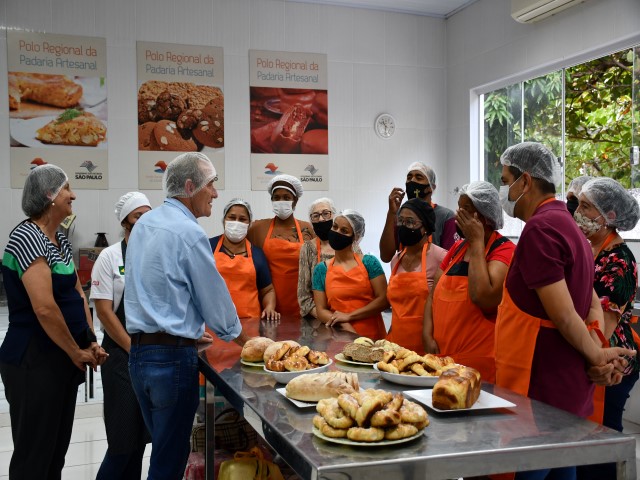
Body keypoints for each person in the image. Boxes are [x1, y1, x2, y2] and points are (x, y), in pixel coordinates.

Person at [495, 142, 635, 480]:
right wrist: (597, 348)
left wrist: (598, 357)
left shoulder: (542, 229)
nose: (502, 189)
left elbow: (565, 315)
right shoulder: (569, 226)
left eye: (505, 179)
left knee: (534, 471)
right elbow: (590, 307)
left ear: (525, 181)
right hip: (565, 389)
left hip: (541, 390)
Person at [125, 152, 250, 480]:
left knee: (162, 450)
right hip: (170, 362)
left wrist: (185, 331)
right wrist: (248, 342)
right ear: (191, 186)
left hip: (139, 356)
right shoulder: (188, 231)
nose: (216, 194)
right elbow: (214, 299)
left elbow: (148, 290)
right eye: (212, 185)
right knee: (169, 462)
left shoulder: (144, 225)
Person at [0, 164, 108, 479]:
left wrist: (89, 340)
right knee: (34, 458)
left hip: (60, 360)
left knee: (55, 455)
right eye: (66, 189)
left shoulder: (57, 239)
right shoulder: (26, 237)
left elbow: (77, 294)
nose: (72, 195)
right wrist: (76, 352)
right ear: (49, 195)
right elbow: (45, 308)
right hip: (33, 362)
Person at [574, 177, 640, 480]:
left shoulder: (620, 260)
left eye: (586, 207)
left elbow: (605, 324)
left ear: (608, 217)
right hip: (592, 352)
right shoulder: (590, 249)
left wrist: (592, 357)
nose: (578, 211)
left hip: (612, 358)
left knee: (601, 439)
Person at [423, 181, 515, 381]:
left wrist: (476, 243)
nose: (458, 215)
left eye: (466, 210)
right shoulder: (457, 249)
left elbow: (484, 297)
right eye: (459, 208)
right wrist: (427, 336)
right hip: (443, 359)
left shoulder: (504, 250)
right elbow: (433, 294)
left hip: (478, 365)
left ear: (485, 216)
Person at [90, 192, 152, 479]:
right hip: (120, 356)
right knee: (121, 443)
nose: (144, 221)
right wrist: (133, 350)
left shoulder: (154, 255)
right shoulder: (110, 256)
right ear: (125, 220)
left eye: (148, 215)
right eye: (138, 215)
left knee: (139, 441)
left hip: (149, 354)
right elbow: (104, 311)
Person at [313, 210, 388, 339]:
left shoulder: (369, 263)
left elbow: (384, 300)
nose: (337, 232)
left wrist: (349, 316)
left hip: (371, 337)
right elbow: (321, 311)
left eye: (344, 231)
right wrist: (345, 324)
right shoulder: (321, 269)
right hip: (338, 336)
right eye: (335, 227)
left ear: (356, 237)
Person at [247, 174, 314, 316]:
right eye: (276, 198)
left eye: (286, 197)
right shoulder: (258, 228)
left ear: (295, 201)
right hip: (268, 306)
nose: (281, 201)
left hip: (302, 305)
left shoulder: (308, 229)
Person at [386, 198, 447, 353]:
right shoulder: (396, 260)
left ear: (425, 227)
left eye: (410, 222)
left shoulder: (440, 257)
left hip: (427, 346)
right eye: (400, 221)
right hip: (396, 346)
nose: (403, 226)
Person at [209, 198, 279, 320]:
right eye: (232, 217)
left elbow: (268, 290)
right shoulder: (208, 247)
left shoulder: (257, 254)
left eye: (242, 219)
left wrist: (269, 307)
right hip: (214, 323)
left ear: (249, 223)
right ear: (224, 220)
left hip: (250, 323)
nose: (236, 222)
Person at [380, 162, 456, 262]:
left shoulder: (446, 216)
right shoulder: (400, 215)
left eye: (419, 177)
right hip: (402, 274)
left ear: (431, 187)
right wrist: (391, 213)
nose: (412, 181)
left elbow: (449, 261)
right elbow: (386, 256)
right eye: (409, 177)